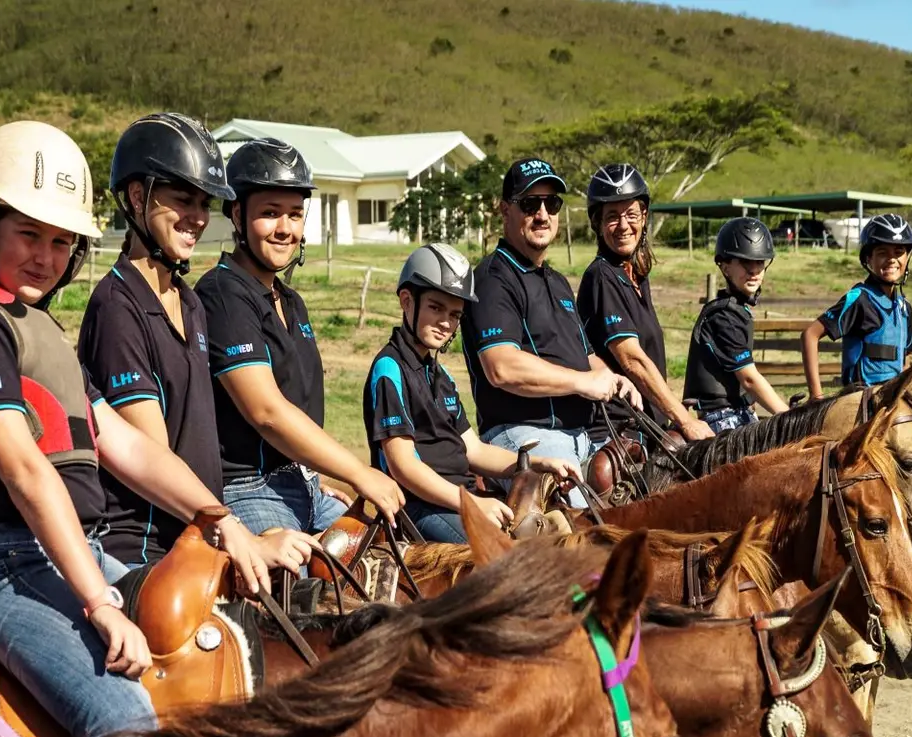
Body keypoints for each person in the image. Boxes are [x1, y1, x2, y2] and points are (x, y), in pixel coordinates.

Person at [0, 120, 273, 737]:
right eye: (29, 235)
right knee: (124, 720)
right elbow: (23, 469)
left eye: (62, 240)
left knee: (212, 668)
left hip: (71, 549)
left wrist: (221, 520)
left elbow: (124, 446)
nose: (47, 256)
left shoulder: (39, 330)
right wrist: (99, 602)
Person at [78, 113, 310, 572]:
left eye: (204, 204)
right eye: (183, 200)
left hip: (195, 533)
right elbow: (150, 454)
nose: (198, 218)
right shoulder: (117, 307)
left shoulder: (189, 302)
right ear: (138, 197)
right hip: (146, 548)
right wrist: (236, 531)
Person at [197, 137, 405, 534]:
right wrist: (359, 473)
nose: (285, 229)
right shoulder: (223, 294)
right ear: (238, 215)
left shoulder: (290, 301)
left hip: (303, 483)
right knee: (292, 587)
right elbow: (267, 411)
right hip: (248, 488)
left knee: (387, 565)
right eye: (270, 213)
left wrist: (318, 477)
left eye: (295, 214)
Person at [364, 243, 579, 541]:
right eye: (435, 307)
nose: (445, 323)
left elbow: (474, 450)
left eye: (454, 315)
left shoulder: (442, 376)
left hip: (457, 497)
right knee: (504, 557)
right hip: (419, 506)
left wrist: (535, 463)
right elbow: (404, 467)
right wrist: (472, 504)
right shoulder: (389, 369)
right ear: (406, 301)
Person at [461, 156, 640, 486]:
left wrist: (611, 377)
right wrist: (582, 382)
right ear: (505, 210)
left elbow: (585, 356)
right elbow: (502, 367)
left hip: (584, 435)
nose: (542, 215)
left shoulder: (557, 281)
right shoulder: (492, 278)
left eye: (551, 203)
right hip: (525, 435)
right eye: (530, 203)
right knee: (584, 531)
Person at [576, 163, 713, 442]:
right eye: (612, 216)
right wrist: (684, 420)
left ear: (644, 216)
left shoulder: (635, 274)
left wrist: (671, 408)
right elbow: (632, 360)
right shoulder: (602, 276)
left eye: (631, 214)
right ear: (597, 224)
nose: (624, 225)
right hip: (618, 429)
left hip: (647, 424)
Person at [801, 213, 912, 400]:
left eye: (898, 252)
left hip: (893, 402)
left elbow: (904, 371)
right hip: (858, 404)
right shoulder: (859, 299)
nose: (891, 259)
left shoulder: (904, 309)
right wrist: (816, 396)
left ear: (907, 257)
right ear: (868, 258)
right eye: (882, 252)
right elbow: (810, 335)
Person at [684, 216, 790, 433]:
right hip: (721, 417)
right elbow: (749, 379)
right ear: (724, 267)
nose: (754, 270)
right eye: (745, 262)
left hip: (739, 410)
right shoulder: (723, 316)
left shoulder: (737, 310)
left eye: (759, 262)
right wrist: (788, 416)